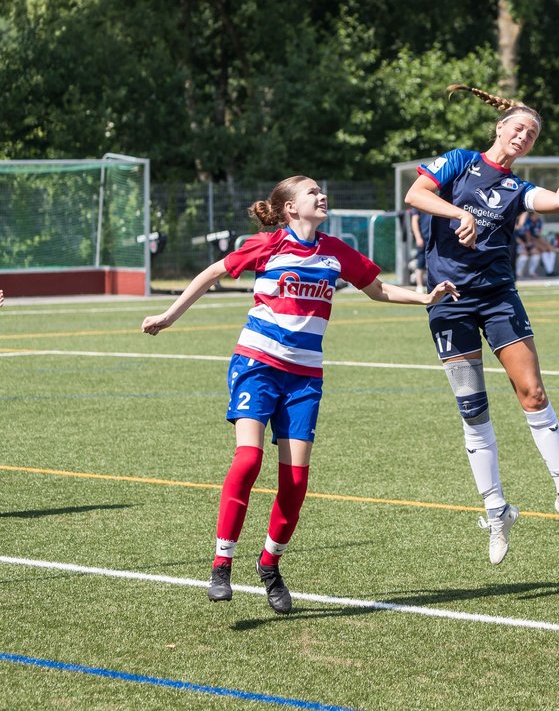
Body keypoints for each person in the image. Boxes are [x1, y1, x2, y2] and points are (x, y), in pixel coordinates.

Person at [141, 176, 457, 613]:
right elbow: (214, 271)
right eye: (311, 192)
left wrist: (425, 297)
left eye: (320, 190)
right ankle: (221, 562)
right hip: (257, 363)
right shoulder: (268, 245)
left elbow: (377, 289)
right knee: (248, 458)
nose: (321, 195)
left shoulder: (335, 251)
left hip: (305, 377)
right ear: (290, 209)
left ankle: (269, 564)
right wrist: (169, 315)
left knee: (295, 480)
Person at [403, 84, 559, 564]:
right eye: (519, 127)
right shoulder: (458, 161)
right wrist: (457, 214)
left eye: (531, 134)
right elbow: (416, 194)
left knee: (532, 393)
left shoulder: (515, 188)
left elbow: (557, 202)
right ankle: (496, 510)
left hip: (497, 297)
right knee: (473, 410)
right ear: (500, 127)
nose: (524, 136)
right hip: (449, 301)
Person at [515, 210, 556, 278]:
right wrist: (526, 244)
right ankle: (517, 273)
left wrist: (543, 243)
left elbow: (537, 235)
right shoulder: (523, 221)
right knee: (524, 256)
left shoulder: (538, 221)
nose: (538, 215)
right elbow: (524, 235)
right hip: (520, 242)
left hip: (531, 241)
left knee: (537, 254)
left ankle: (533, 272)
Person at [409, 208, 430, 293]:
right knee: (420, 263)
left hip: (436, 239)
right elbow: (414, 222)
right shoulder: (419, 203)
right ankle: (419, 285)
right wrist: (418, 237)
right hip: (424, 238)